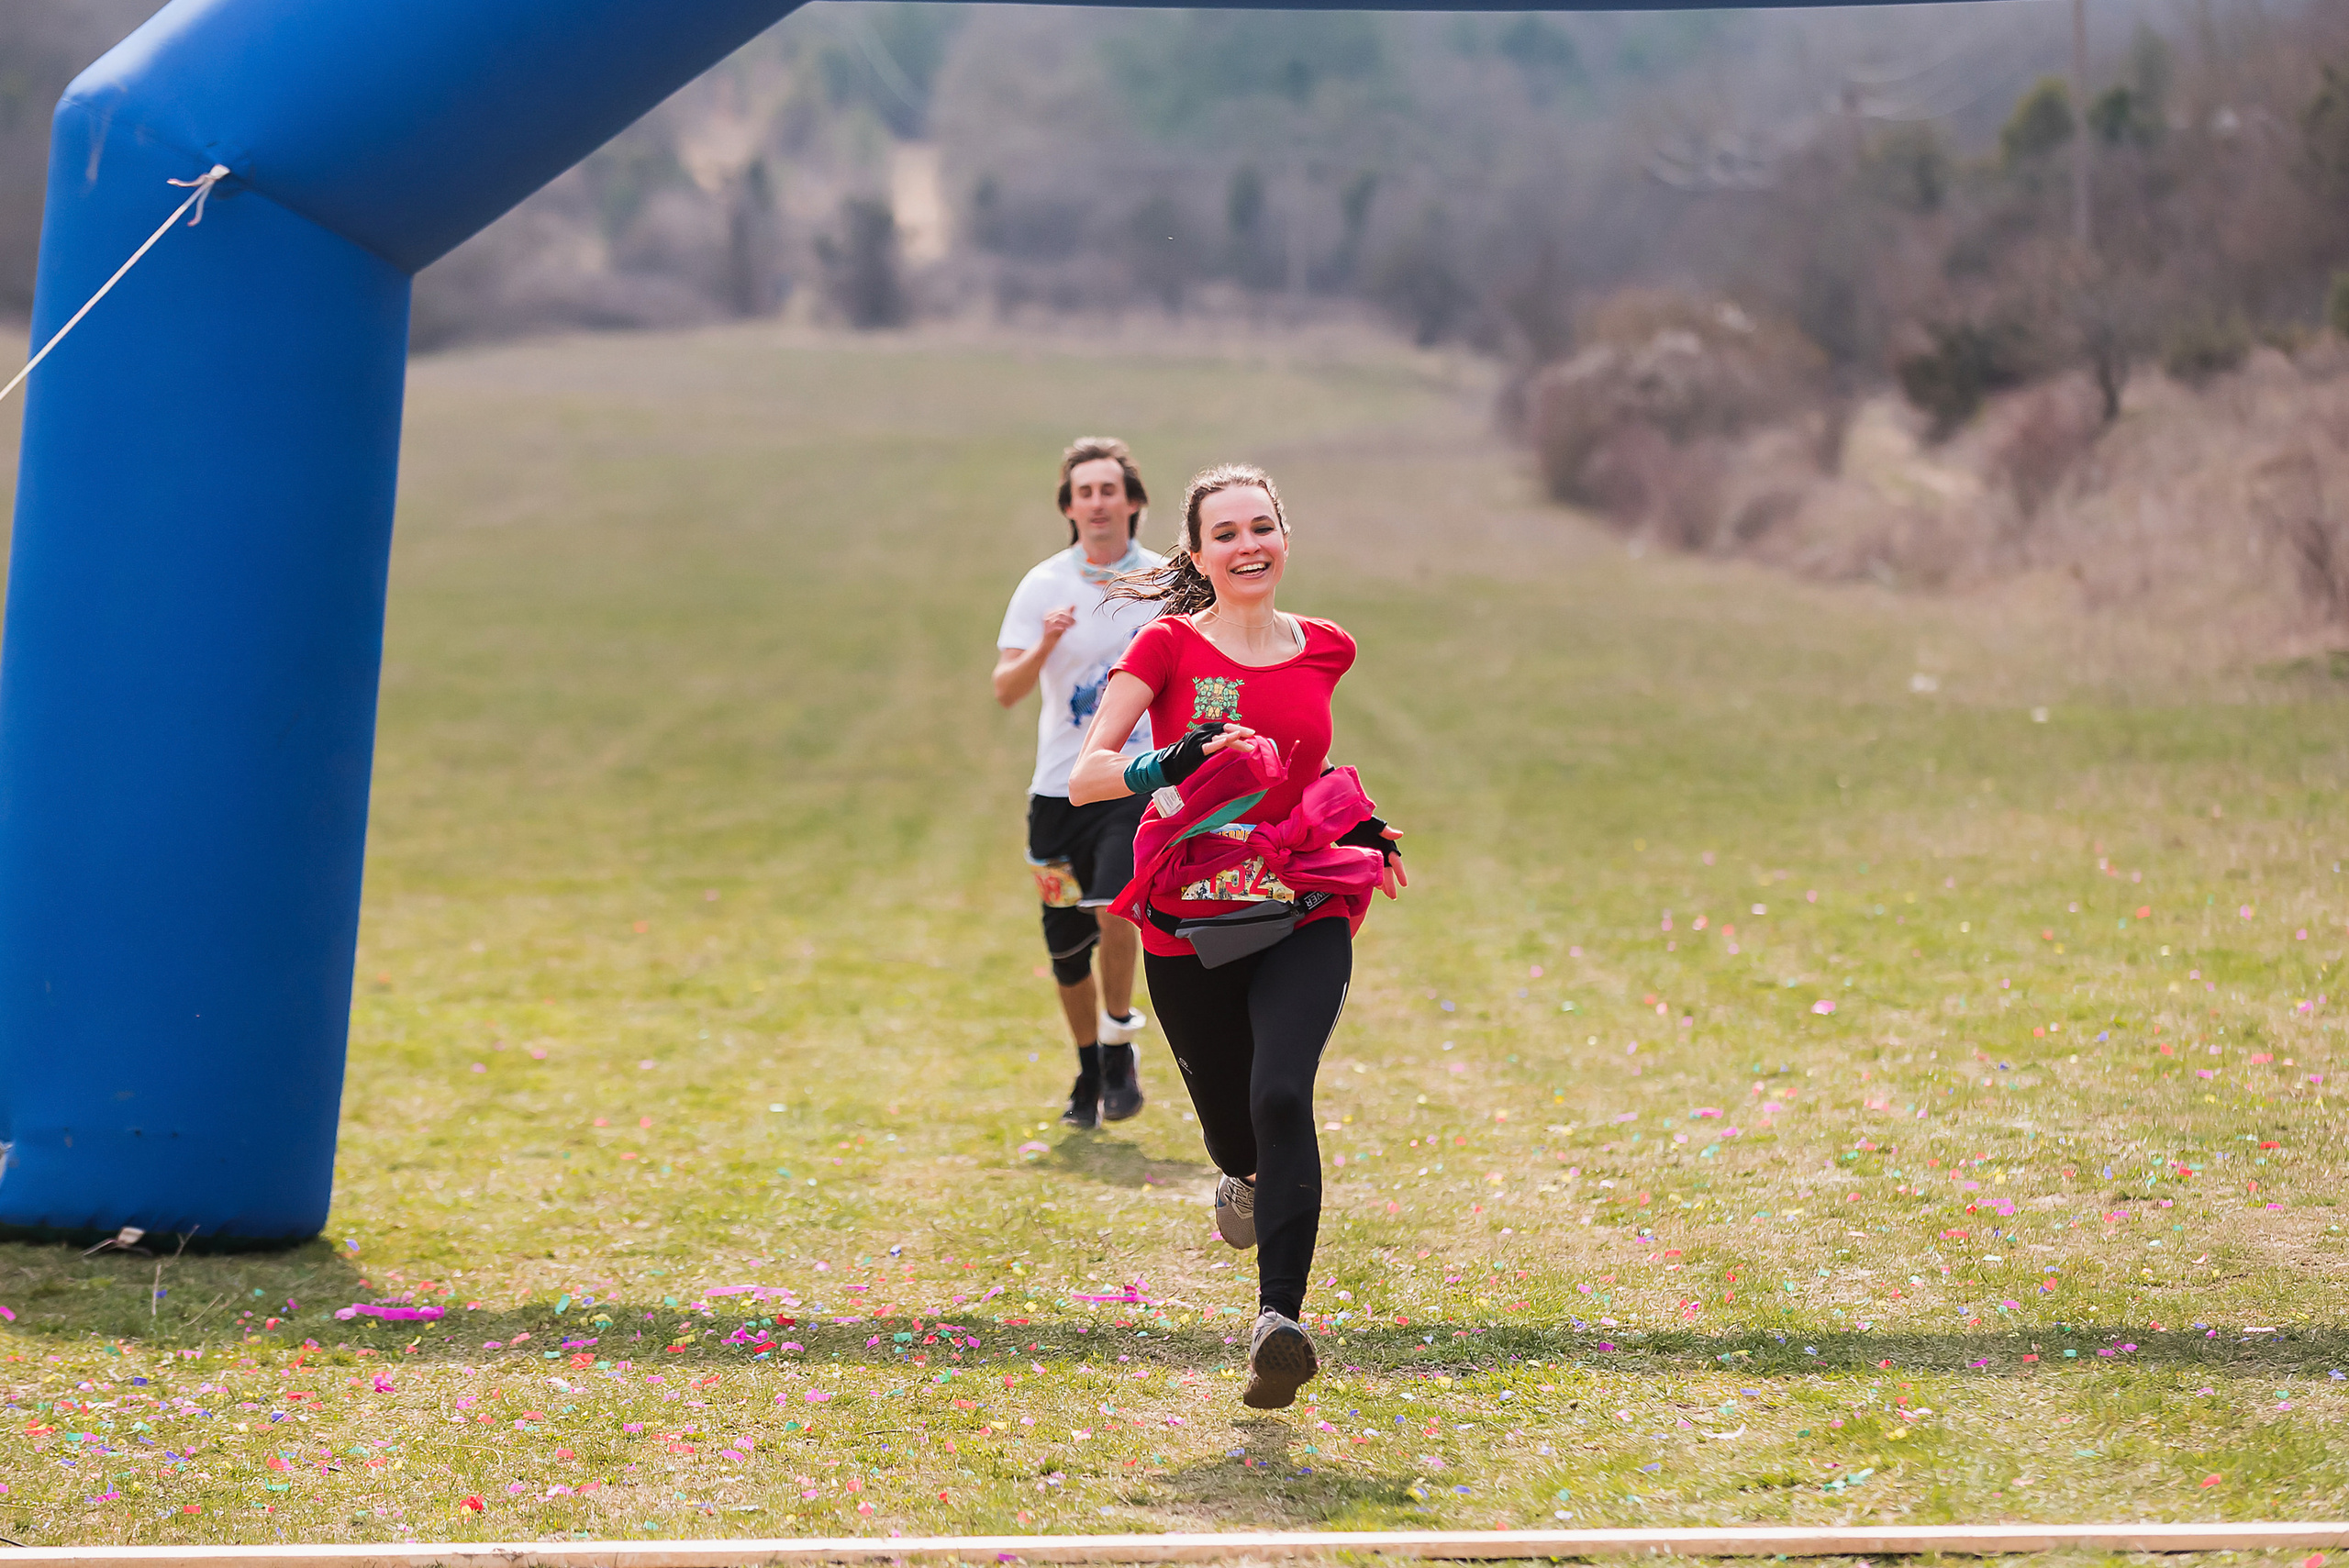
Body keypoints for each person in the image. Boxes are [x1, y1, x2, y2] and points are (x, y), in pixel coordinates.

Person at [1070, 462, 1405, 1409]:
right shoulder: (1168, 644)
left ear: (1285, 537)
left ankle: (1277, 1323)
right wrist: (1164, 763)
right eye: (1226, 532)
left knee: (1282, 1090)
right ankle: (1242, 1176)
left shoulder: (1326, 647)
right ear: (1198, 553)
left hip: (1298, 899)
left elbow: (1301, 765)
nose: (1248, 544)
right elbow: (1086, 776)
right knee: (1233, 1126)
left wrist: (1352, 826)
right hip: (1190, 910)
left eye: (1262, 526)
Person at [995, 438, 1164, 1130]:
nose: (1097, 502)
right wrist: (1045, 642)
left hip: (1129, 780)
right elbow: (1006, 689)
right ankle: (1090, 1064)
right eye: (1083, 491)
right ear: (1069, 507)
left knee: (1115, 905)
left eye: (1108, 489)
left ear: (1132, 502)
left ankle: (1121, 1038)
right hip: (1056, 793)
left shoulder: (1165, 580)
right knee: (1065, 943)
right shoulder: (1042, 585)